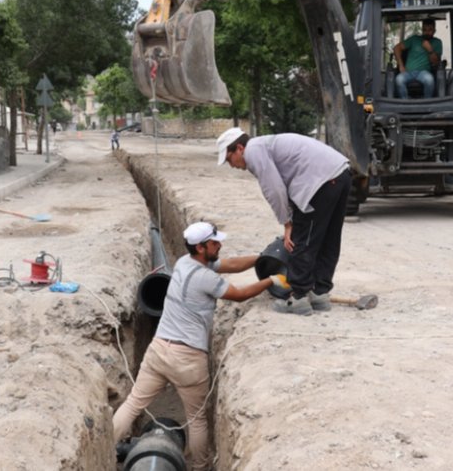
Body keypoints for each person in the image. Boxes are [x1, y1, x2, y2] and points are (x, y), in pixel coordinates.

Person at [112, 221, 289, 470]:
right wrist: (270, 280)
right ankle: (200, 467)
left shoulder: (185, 262)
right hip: (187, 359)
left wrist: (262, 258)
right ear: (202, 246)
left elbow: (231, 264)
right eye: (215, 243)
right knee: (196, 420)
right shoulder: (204, 277)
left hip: (158, 350)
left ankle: (106, 453)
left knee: (133, 403)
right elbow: (239, 294)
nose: (220, 245)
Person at [217, 128, 351, 316]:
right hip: (340, 173)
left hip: (318, 182)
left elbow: (274, 189)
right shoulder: (266, 144)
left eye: (229, 159)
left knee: (303, 239)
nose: (232, 165)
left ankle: (298, 297)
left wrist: (287, 223)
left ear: (239, 148)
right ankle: (320, 293)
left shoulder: (254, 151)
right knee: (329, 238)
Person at [393, 18, 442, 99]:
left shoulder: (437, 42)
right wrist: (401, 65)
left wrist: (429, 49)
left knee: (429, 80)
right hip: (408, 72)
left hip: (424, 73)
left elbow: (436, 62)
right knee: (399, 80)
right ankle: (406, 103)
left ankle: (427, 103)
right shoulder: (414, 39)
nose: (427, 32)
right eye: (425, 30)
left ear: (434, 30)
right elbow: (396, 48)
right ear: (422, 30)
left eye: (430, 30)